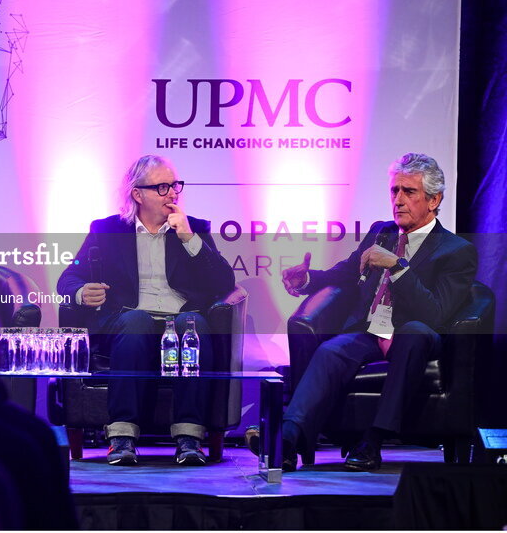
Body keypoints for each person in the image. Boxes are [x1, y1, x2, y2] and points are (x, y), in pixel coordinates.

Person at [280, 152, 477, 471]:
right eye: (394, 191)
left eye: (409, 192)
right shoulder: (381, 231)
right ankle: (288, 440)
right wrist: (308, 279)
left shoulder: (456, 251)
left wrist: (398, 267)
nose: (398, 200)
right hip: (372, 331)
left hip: (418, 336)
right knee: (331, 351)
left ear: (433, 199)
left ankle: (373, 441)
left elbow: (436, 313)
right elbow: (346, 273)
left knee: (413, 332)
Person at [57, 154, 236, 465]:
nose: (173, 193)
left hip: (179, 318)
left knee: (192, 323)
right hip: (126, 319)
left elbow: (224, 283)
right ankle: (122, 438)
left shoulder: (195, 229)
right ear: (137, 194)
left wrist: (189, 238)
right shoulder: (107, 230)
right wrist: (80, 291)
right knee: (136, 321)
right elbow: (69, 277)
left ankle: (189, 438)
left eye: (175, 185)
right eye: (163, 187)